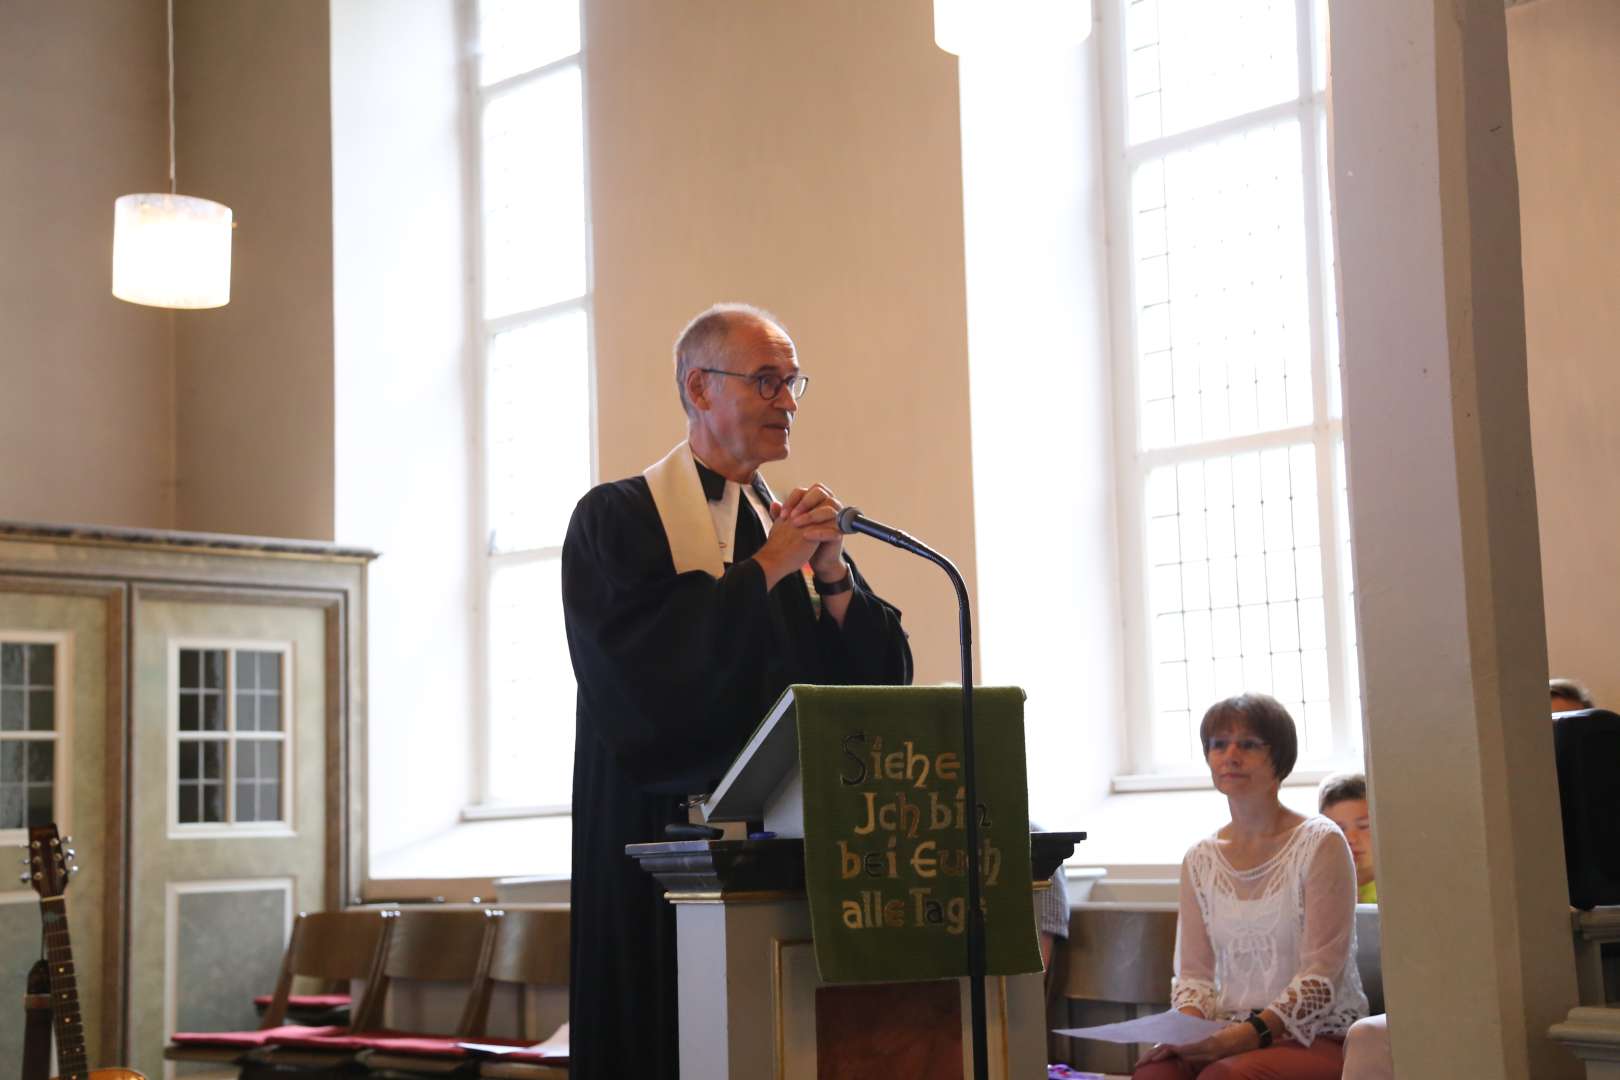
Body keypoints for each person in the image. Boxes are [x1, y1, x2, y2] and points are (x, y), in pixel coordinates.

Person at [560, 302, 913, 1080]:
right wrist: (767, 572)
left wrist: (830, 574)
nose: (788, 402)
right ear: (699, 387)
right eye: (766, 381)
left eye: (793, 383)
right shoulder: (615, 519)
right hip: (655, 853)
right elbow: (640, 675)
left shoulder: (776, 527)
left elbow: (871, 690)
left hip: (782, 861)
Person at [1135, 694, 1368, 1079]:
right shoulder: (1201, 857)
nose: (1230, 755)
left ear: (1280, 757)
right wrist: (1186, 1034)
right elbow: (1194, 977)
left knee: (1224, 1077)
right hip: (1226, 1029)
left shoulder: (1320, 841)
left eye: (1248, 744)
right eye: (1218, 744)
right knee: (1154, 1074)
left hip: (1311, 1035)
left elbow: (1321, 974)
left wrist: (1246, 1036)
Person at [1318, 773, 1377, 903]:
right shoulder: (1318, 885)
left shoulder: (1395, 886)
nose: (1350, 838)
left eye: (1363, 826)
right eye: (1338, 829)